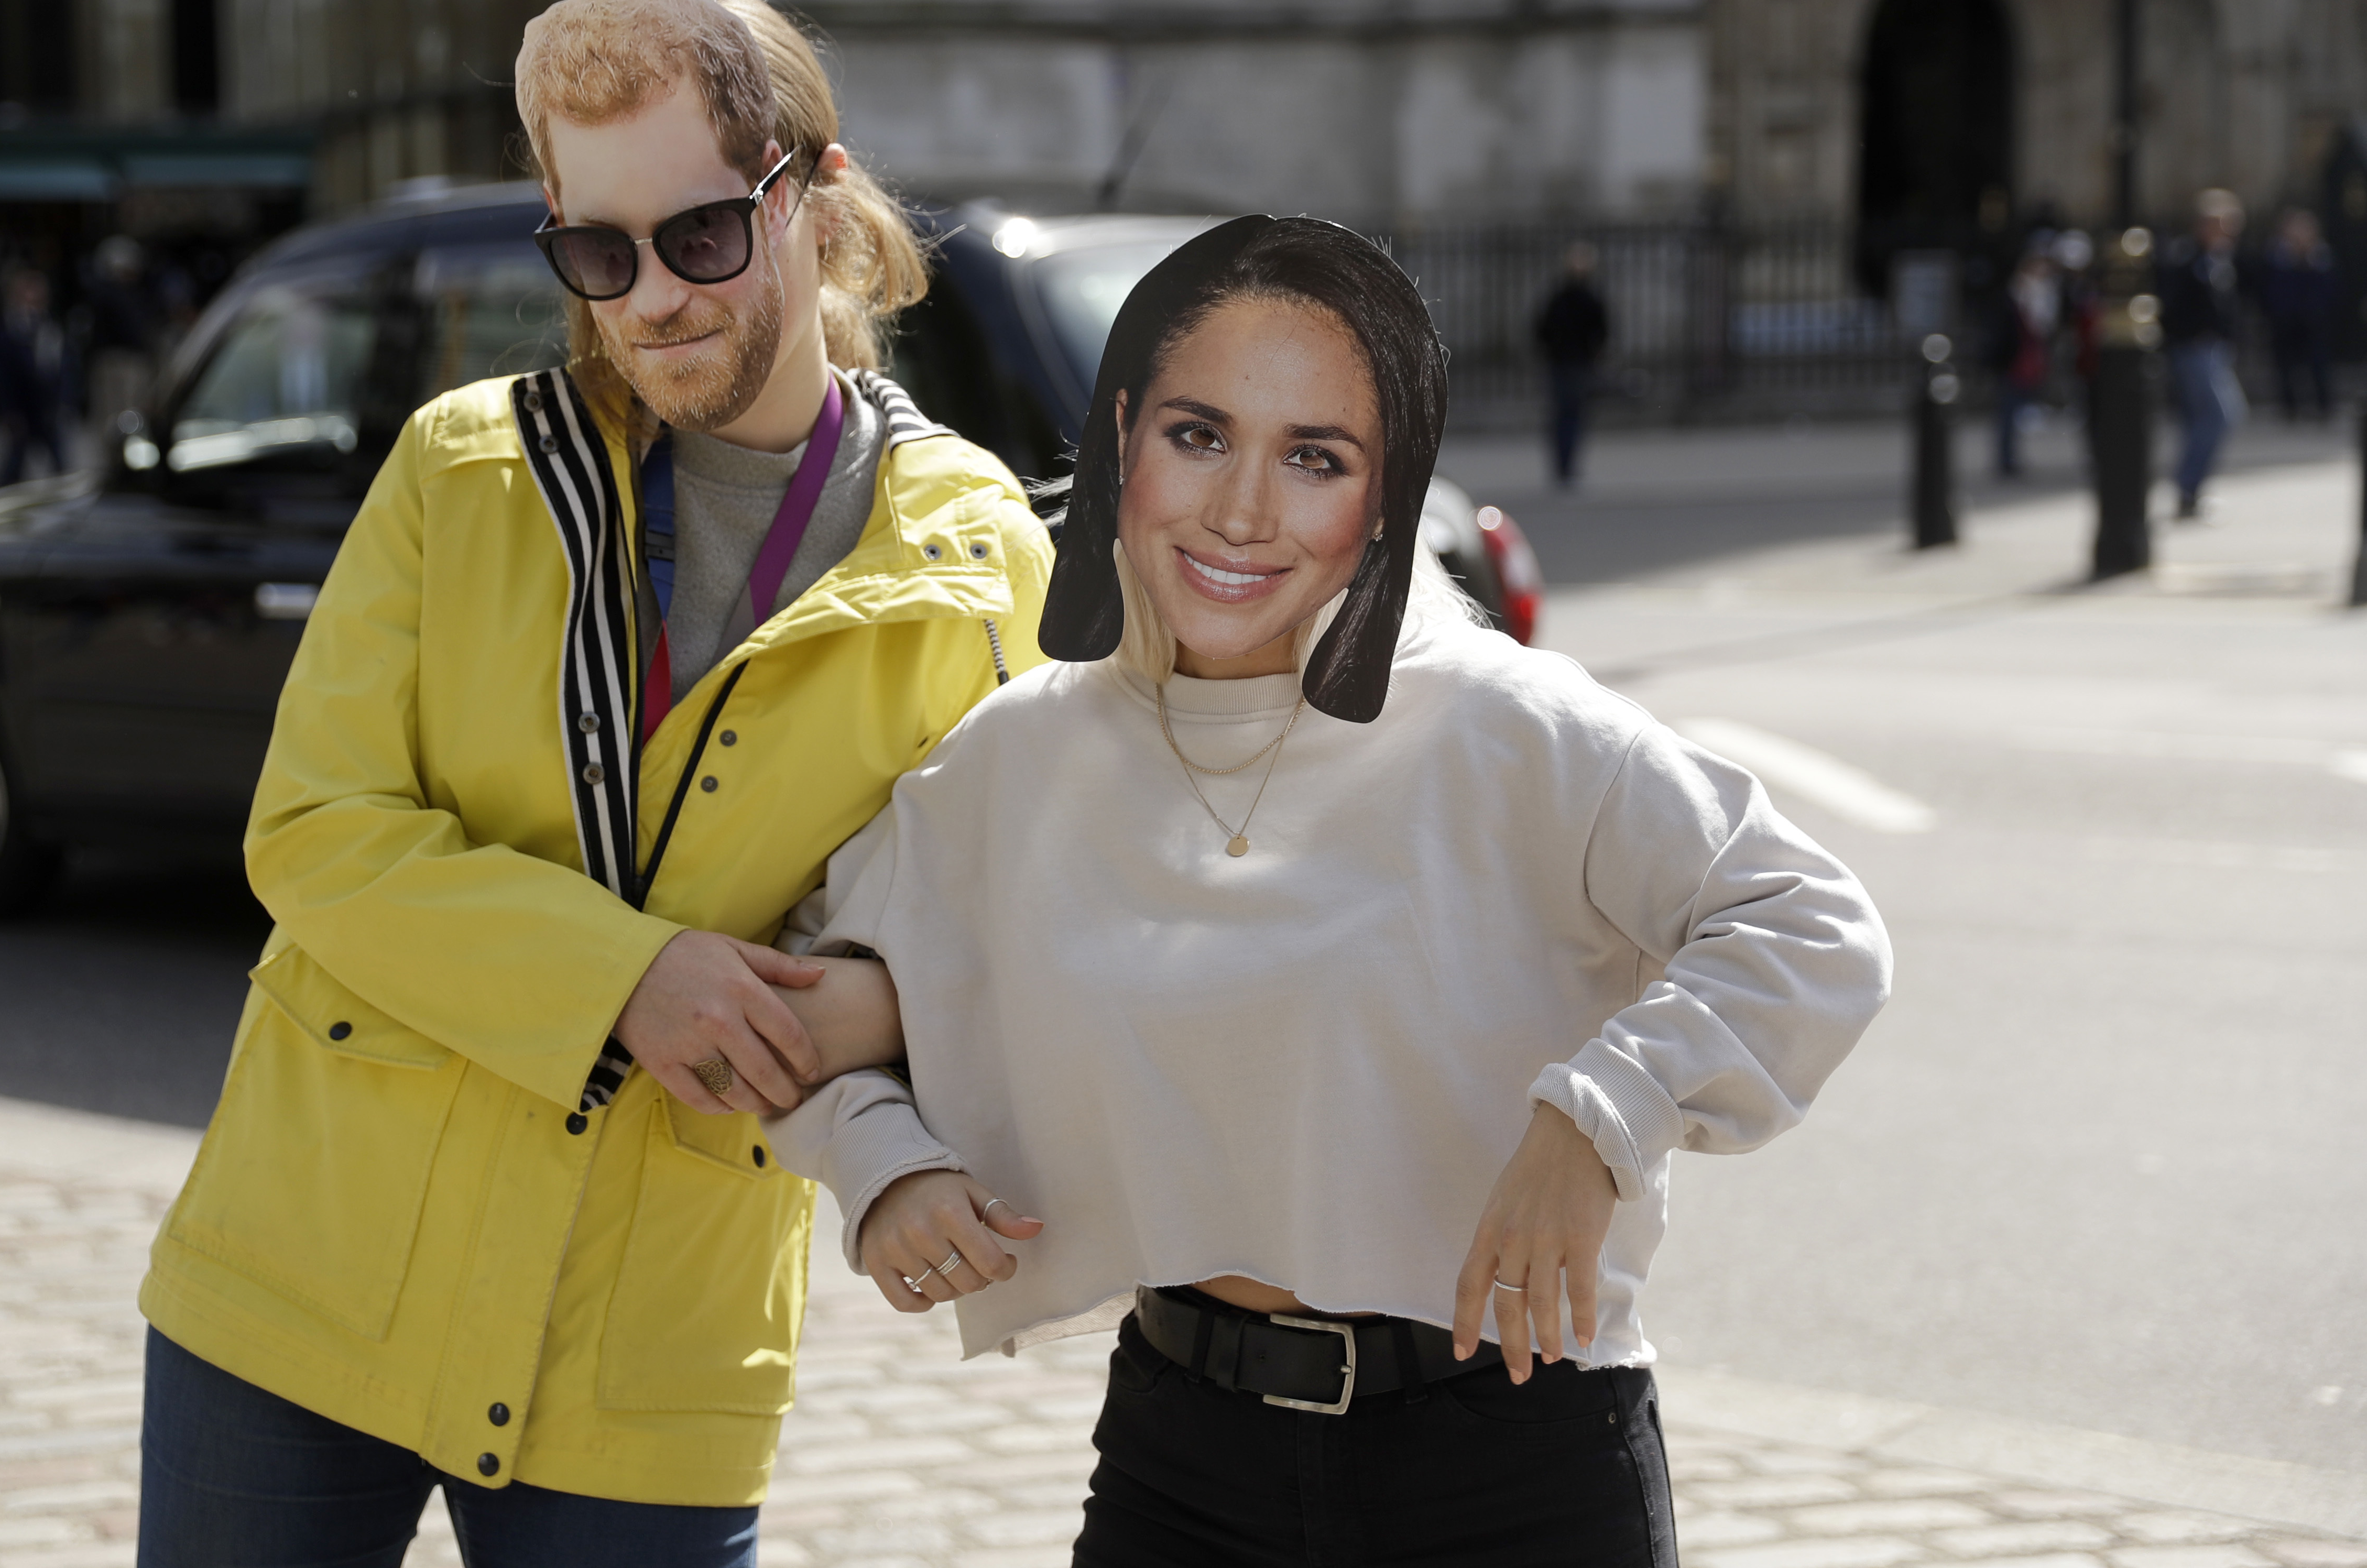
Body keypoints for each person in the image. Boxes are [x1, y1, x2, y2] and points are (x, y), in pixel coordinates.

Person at [763, 215, 1892, 1567]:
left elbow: (1810, 926)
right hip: (1186, 1456)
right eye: (1197, 436)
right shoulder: (1031, 751)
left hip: (1511, 1452)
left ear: (1391, 489)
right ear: (1120, 442)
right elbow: (789, 990)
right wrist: (884, 1168)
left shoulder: (1501, 725)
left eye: (1314, 459)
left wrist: (1601, 1120)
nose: (1243, 510)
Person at [134, 0, 1056, 1566]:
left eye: (700, 235)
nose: (652, 300)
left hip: (659, 1341)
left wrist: (889, 1021)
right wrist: (627, 976)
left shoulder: (973, 553)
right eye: (596, 251)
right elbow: (317, 829)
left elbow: (993, 914)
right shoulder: (460, 475)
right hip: (305, 1270)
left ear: (817, 207)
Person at [2158, 189, 2248, 519]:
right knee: (2222, 415)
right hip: (2195, 349)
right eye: (2225, 224)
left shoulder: (2221, 259)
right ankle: (2188, 486)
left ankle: (2191, 491)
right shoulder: (2187, 260)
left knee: (2205, 420)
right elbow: (2174, 307)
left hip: (2215, 350)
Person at [1532, 240, 1608, 488]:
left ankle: (1564, 467)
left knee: (1565, 416)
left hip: (1565, 363)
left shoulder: (1562, 297)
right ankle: (1567, 467)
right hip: (1574, 363)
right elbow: (1601, 332)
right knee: (1572, 416)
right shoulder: (1584, 298)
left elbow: (1542, 329)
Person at [0, 268, 70, 486]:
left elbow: (63, 367)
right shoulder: (8, 328)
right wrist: (7, 409)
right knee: (14, 461)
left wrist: (64, 399)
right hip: (21, 405)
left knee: (58, 459)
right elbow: (1, 373)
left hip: (47, 404)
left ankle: (64, 496)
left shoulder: (50, 327)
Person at [1992, 239, 2063, 477]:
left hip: (2029, 357)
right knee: (2009, 411)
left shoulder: (2045, 292)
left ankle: (2010, 457)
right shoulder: (2016, 293)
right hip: (2013, 358)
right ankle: (2006, 459)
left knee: (2019, 410)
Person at [2262, 206, 2339, 423]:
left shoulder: (2321, 256)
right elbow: (2269, 289)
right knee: (2286, 367)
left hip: (2314, 320)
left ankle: (2324, 407)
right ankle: (2290, 409)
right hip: (2285, 320)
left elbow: (2331, 290)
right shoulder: (2277, 257)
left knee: (2319, 365)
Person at [82, 234, 161, 437]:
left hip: (131, 361)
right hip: (115, 362)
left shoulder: (137, 293)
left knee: (133, 416)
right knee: (115, 417)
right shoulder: (106, 293)